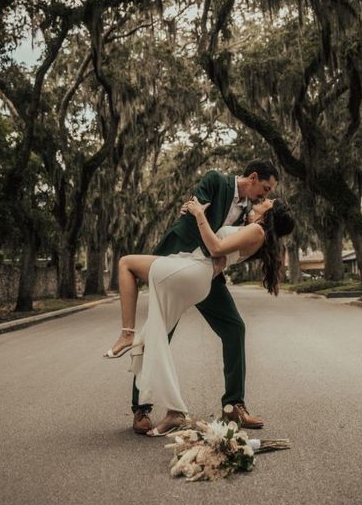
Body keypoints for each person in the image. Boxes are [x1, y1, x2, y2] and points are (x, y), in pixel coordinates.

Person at [105, 160, 294, 434]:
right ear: (252, 178)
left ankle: (234, 407)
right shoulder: (215, 180)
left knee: (234, 328)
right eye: (265, 189)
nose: (265, 196)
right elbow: (194, 208)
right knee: (158, 332)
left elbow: (227, 245)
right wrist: (192, 207)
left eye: (268, 194)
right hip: (176, 259)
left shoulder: (251, 218)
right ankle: (141, 409)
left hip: (207, 274)